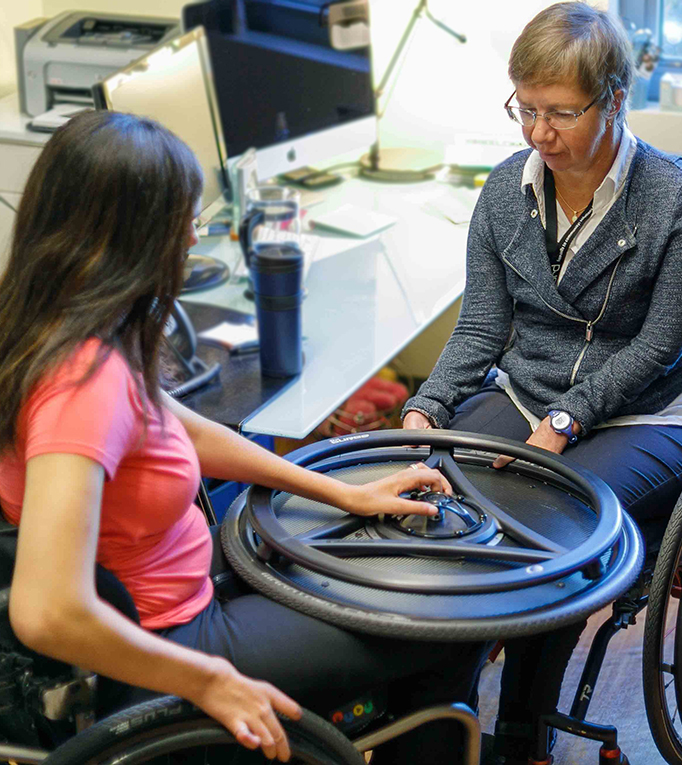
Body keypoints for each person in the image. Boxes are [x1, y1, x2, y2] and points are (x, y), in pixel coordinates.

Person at [0, 110, 490, 765]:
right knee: (450, 623)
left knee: (378, 562)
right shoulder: (81, 387)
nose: (194, 242)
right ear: (136, 240)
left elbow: (175, 424)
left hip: (188, 583)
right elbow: (46, 611)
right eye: (188, 225)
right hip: (170, 639)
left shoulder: (52, 319)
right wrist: (209, 680)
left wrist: (344, 494)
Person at [402, 3, 682, 762]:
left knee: (550, 532)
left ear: (615, 99)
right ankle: (434, 715)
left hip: (653, 412)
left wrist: (570, 418)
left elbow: (661, 345)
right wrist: (426, 406)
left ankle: (519, 731)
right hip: (527, 393)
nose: (539, 134)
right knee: (435, 500)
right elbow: (482, 326)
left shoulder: (673, 199)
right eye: (526, 109)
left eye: (561, 113)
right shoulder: (504, 190)